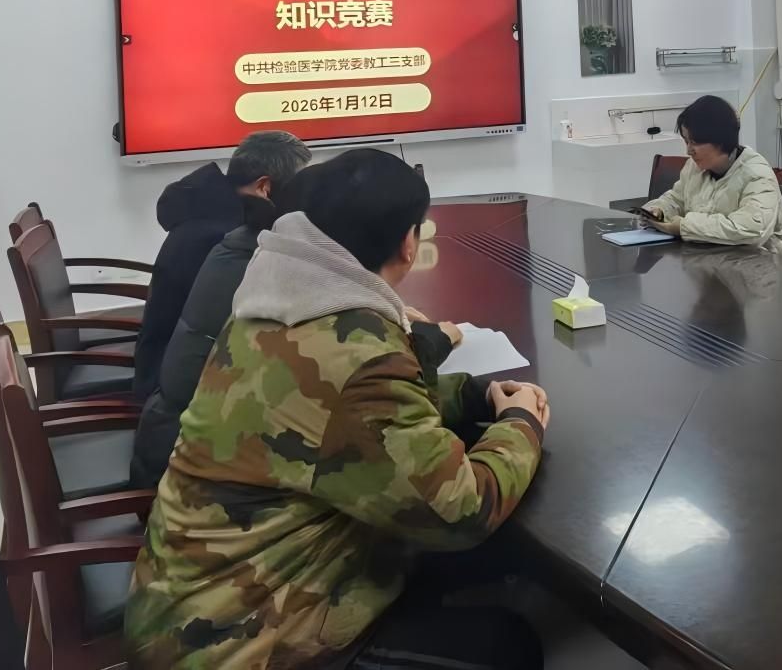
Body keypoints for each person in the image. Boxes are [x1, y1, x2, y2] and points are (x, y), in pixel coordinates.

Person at [126, 149, 549, 670]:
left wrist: (470, 394)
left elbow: (337, 411)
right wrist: (520, 425)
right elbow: (462, 510)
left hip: (185, 600)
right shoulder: (358, 348)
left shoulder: (273, 303)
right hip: (240, 642)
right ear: (409, 243)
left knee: (460, 567)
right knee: (508, 644)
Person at [127, 161, 463, 488]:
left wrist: (465, 392)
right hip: (177, 464)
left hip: (187, 457)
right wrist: (428, 344)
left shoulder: (260, 273)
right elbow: (449, 499)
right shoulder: (296, 307)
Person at [131, 131, 312, 401]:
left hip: (167, 363)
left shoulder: (205, 211)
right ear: (264, 187)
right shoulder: (227, 238)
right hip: (177, 390)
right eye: (299, 189)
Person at [642, 94, 782, 254]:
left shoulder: (756, 174)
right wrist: (659, 210)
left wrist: (683, 227)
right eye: (686, 141)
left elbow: (751, 230)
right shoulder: (694, 167)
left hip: (766, 263)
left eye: (694, 142)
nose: (688, 151)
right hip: (715, 259)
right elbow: (676, 199)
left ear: (719, 139)